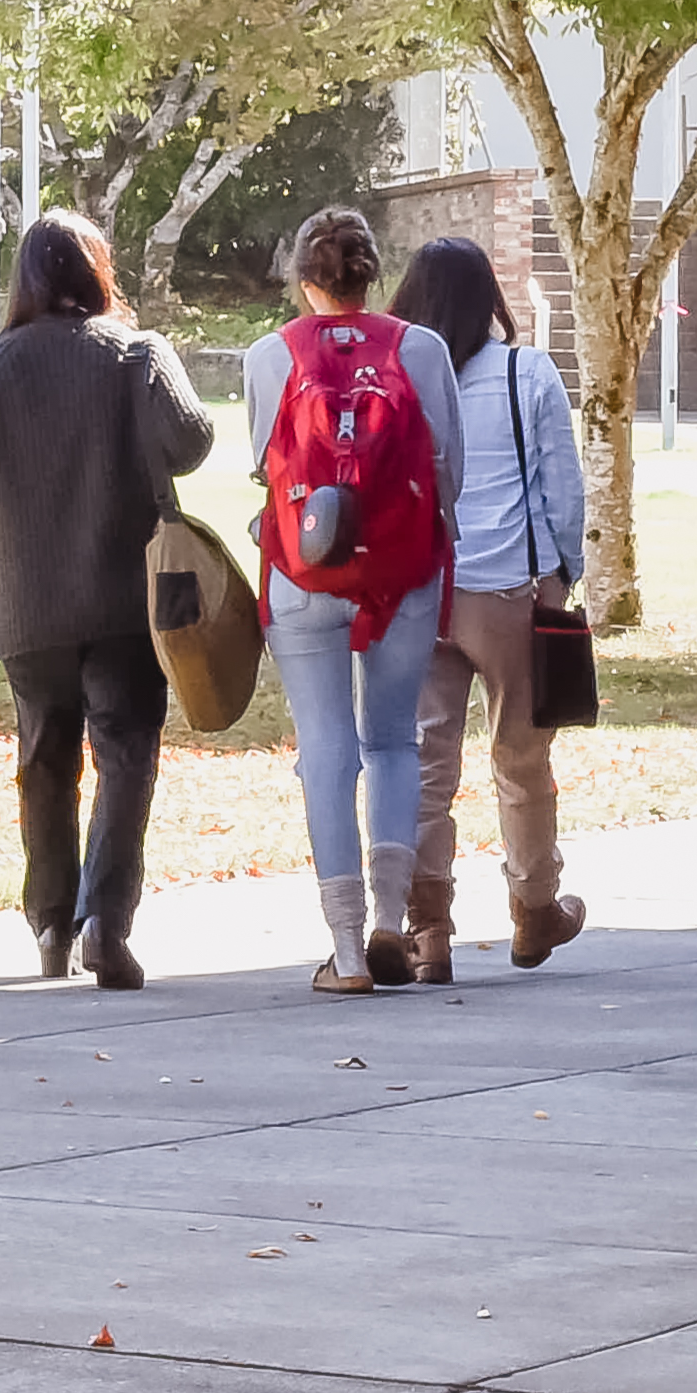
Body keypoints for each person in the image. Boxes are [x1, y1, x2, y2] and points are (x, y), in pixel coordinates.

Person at [0, 214, 218, 989]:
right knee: (125, 753)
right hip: (125, 598)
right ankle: (105, 921)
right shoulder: (135, 353)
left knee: (43, 759)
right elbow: (190, 441)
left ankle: (49, 922)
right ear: (97, 273)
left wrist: (11, 538)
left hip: (26, 607)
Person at [248, 204, 463, 993]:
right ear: (372, 271)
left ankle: (342, 950)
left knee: (325, 751)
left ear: (304, 278)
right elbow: (449, 472)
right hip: (403, 571)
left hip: (303, 577)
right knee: (394, 741)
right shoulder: (422, 349)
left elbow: (261, 465)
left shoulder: (269, 355)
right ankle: (388, 919)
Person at [390, 233, 589, 973]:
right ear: (489, 299)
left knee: (422, 761)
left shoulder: (402, 374)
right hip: (507, 587)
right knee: (520, 754)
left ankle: (428, 927)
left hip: (422, 587)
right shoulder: (525, 372)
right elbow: (561, 486)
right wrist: (561, 572)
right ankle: (533, 907)